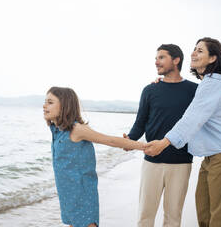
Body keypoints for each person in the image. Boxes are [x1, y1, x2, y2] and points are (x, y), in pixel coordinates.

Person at [125, 44, 221, 227]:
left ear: (176, 60)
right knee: (145, 216)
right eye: (156, 58)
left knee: (173, 218)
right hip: (152, 161)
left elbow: (205, 113)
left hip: (181, 162)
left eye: (161, 57)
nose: (156, 62)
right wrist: (129, 141)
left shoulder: (195, 89)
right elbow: (140, 123)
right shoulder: (150, 90)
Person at [43, 86, 145, 227]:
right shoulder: (57, 130)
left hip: (82, 192)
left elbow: (110, 140)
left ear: (64, 105)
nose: (44, 106)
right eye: (45, 102)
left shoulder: (77, 130)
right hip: (67, 193)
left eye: (50, 102)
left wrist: (143, 147)